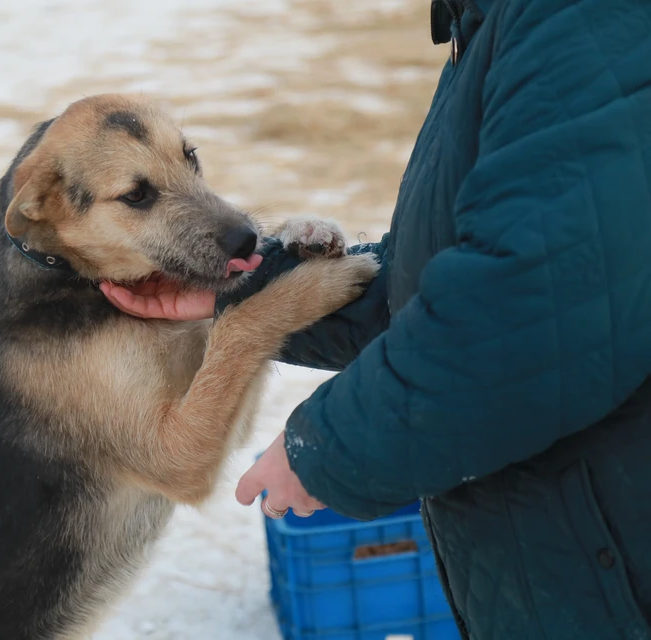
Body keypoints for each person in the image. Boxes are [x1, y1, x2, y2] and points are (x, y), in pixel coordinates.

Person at [99, 0, 651, 638]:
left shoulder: (583, 19)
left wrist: (331, 449)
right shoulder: (501, 21)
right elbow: (440, 275)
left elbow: (528, 309)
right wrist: (239, 293)